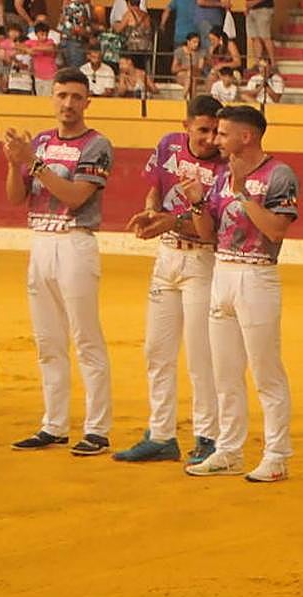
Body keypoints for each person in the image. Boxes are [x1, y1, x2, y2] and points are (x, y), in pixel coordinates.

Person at [181, 105, 298, 482]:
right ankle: (229, 450)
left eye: (223, 133)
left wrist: (243, 193)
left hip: (257, 275)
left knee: (266, 373)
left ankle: (277, 455)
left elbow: (276, 230)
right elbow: (208, 234)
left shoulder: (278, 174)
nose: (216, 139)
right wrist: (198, 202)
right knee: (225, 374)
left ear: (246, 136)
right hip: (223, 272)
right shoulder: (222, 175)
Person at [3, 67, 115, 455]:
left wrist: (33, 162)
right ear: (52, 97)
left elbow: (75, 196)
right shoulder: (41, 141)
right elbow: (16, 198)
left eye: (76, 97)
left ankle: (97, 429)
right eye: (62, 95)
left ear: (87, 102)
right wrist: (13, 162)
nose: (68, 103)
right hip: (41, 240)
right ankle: (54, 424)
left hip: (74, 241)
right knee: (47, 340)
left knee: (86, 338)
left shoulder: (97, 144)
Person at [117, 95, 225, 465]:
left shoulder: (227, 166)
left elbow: (212, 228)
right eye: (203, 130)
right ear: (186, 126)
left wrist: (169, 221)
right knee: (157, 351)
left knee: (200, 355)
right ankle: (161, 433)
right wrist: (151, 211)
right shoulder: (168, 145)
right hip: (167, 257)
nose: (211, 139)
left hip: (203, 261)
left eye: (216, 131)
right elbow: (156, 189)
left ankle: (209, 436)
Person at [56, 0, 93, 68]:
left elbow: (87, 29)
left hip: (77, 44)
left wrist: (83, 31)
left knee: (75, 70)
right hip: (67, 43)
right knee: (69, 70)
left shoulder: (85, 7)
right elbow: (60, 28)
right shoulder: (70, 7)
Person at [172, 31, 207, 98]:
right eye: (194, 42)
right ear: (188, 42)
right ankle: (192, 100)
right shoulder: (179, 51)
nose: (196, 44)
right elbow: (173, 69)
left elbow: (200, 68)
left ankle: (184, 97)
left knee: (192, 78)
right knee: (190, 77)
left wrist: (191, 69)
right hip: (182, 75)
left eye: (198, 42)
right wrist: (185, 67)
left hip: (196, 75)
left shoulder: (201, 52)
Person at [28, 22, 58, 96]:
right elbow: (19, 45)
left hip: (50, 76)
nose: (44, 37)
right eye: (42, 34)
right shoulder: (32, 42)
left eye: (46, 35)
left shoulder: (50, 41)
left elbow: (51, 48)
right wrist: (27, 50)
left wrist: (34, 48)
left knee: (48, 97)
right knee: (40, 97)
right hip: (38, 76)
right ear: (36, 34)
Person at [246, 0, 276, 64]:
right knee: (255, 38)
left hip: (263, 9)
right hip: (251, 10)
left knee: (265, 37)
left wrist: (253, 2)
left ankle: (273, 63)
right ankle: (258, 63)